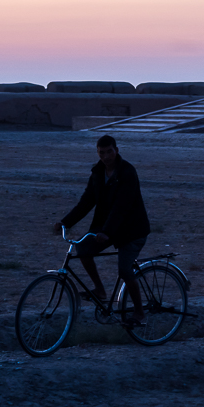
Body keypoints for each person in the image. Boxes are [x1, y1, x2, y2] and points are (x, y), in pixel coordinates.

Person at [54, 134, 151, 325]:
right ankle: (100, 290)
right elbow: (86, 202)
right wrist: (65, 222)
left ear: (116, 150)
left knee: (124, 269)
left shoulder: (127, 172)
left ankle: (139, 313)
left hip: (132, 229)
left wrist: (106, 231)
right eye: (101, 153)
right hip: (108, 227)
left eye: (109, 152)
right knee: (82, 249)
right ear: (97, 153)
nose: (106, 156)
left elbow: (122, 207)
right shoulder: (98, 173)